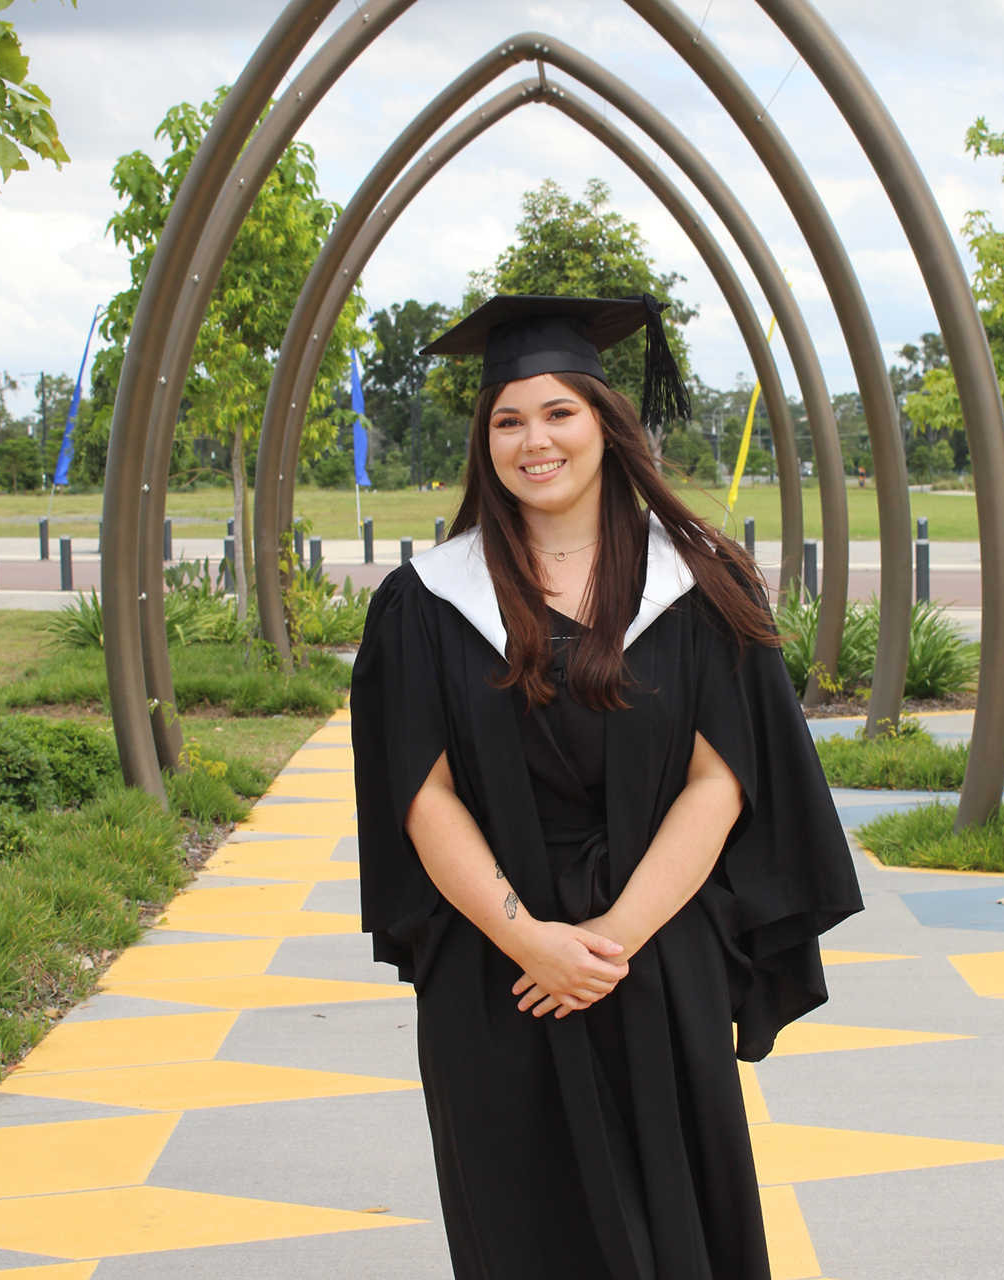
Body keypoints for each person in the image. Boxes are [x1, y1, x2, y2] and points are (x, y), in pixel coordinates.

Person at [351, 293, 862, 1280]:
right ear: (483, 440)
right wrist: (530, 939)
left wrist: (608, 941)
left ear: (603, 422)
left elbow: (722, 779)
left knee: (676, 1223)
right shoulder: (426, 602)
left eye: (556, 412)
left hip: (654, 959)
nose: (531, 439)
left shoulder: (696, 584)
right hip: (499, 975)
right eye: (506, 419)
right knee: (519, 1227)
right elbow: (422, 795)